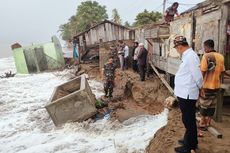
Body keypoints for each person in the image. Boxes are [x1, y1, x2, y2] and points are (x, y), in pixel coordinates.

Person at [173, 36, 203, 153]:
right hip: (184, 93)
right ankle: (190, 140)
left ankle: (189, 147)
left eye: (176, 48)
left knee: (188, 120)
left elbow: (197, 75)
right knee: (188, 119)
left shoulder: (190, 56)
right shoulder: (188, 56)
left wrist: (201, 87)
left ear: (180, 47)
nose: (177, 50)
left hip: (187, 94)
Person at [198, 39, 230, 129]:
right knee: (212, 105)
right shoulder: (221, 56)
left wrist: (200, 85)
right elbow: (223, 71)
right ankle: (208, 123)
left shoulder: (206, 56)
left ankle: (202, 123)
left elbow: (203, 71)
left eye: (204, 47)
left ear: (207, 47)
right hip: (216, 85)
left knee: (204, 104)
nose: (204, 49)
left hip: (207, 85)